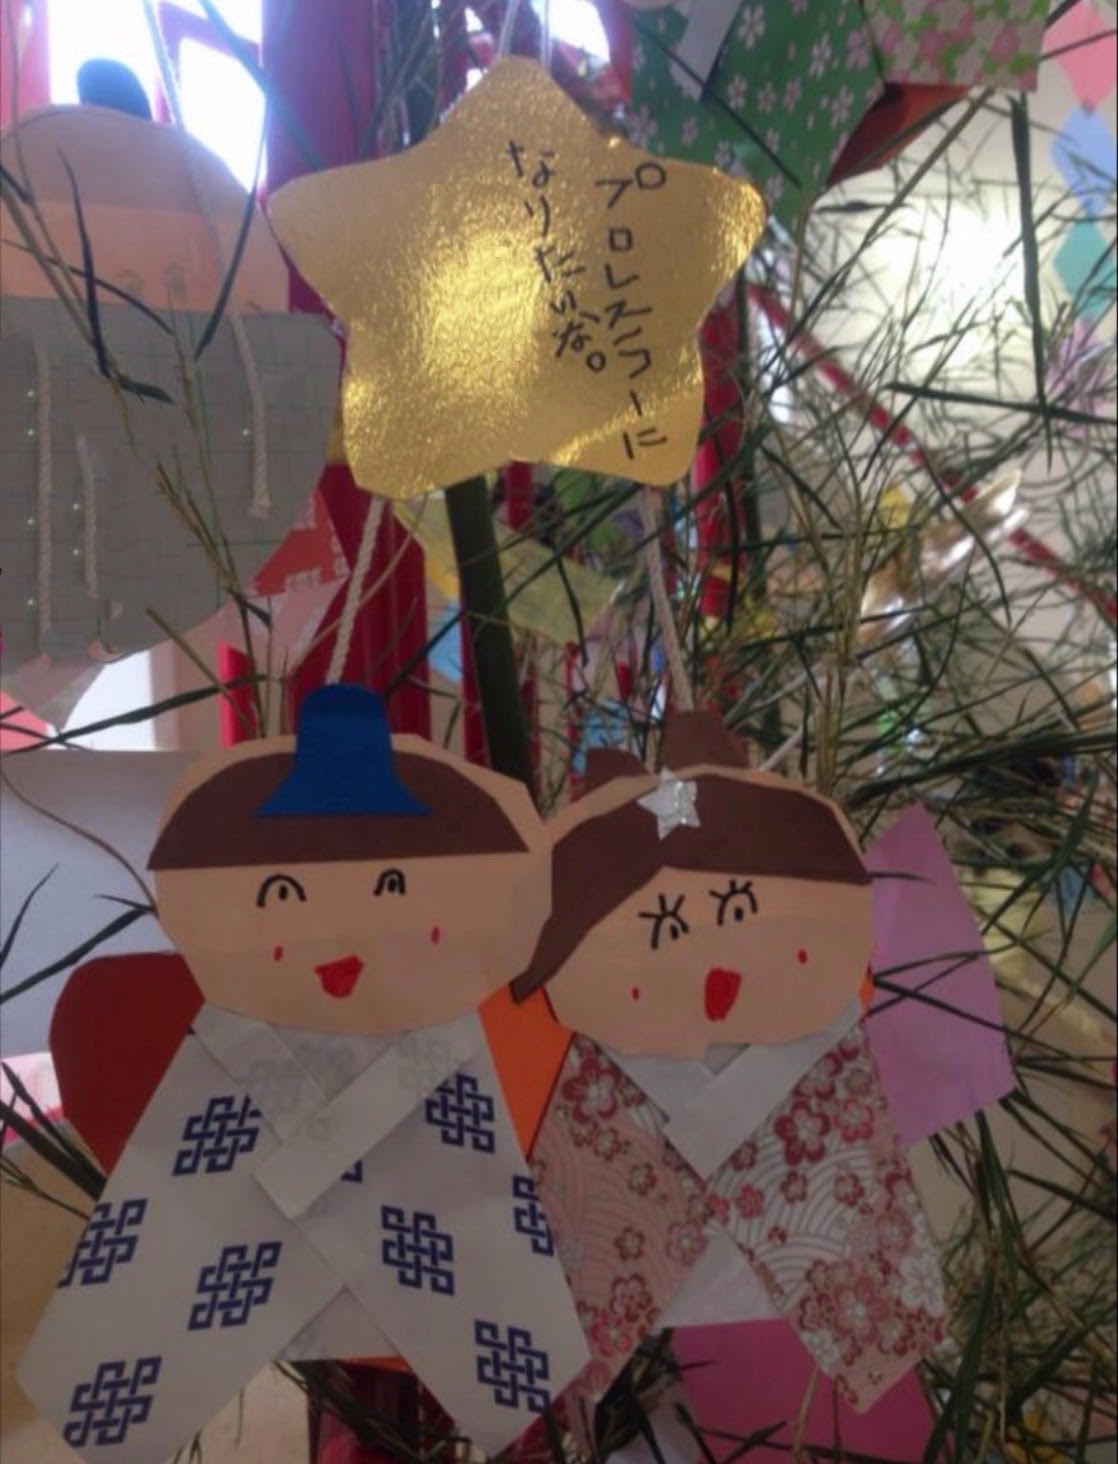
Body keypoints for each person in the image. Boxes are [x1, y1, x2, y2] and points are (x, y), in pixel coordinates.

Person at [20, 686, 588, 1461]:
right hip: (281, 1221)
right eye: (284, 892)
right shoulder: (214, 1060)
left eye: (392, 885)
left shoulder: (476, 1046)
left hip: (426, 1244)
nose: (344, 934)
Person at [513, 711, 947, 1411]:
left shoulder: (829, 1041)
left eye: (740, 905)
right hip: (637, 1196)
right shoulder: (584, 1066)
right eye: (663, 925)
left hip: (793, 1304)